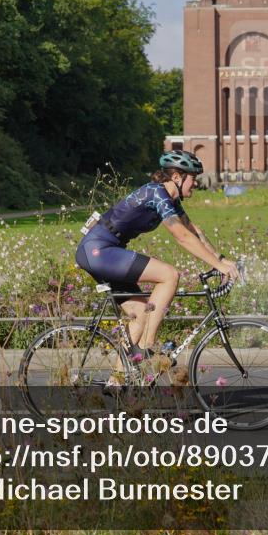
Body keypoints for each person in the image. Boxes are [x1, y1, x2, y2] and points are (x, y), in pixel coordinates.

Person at [75, 151, 239, 381]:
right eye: (193, 178)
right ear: (176, 176)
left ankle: (117, 382)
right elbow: (181, 236)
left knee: (141, 313)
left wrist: (220, 260)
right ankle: (147, 346)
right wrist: (218, 266)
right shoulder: (157, 193)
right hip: (98, 250)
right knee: (169, 275)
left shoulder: (170, 199)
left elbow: (193, 231)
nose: (196, 183)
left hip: (105, 251)